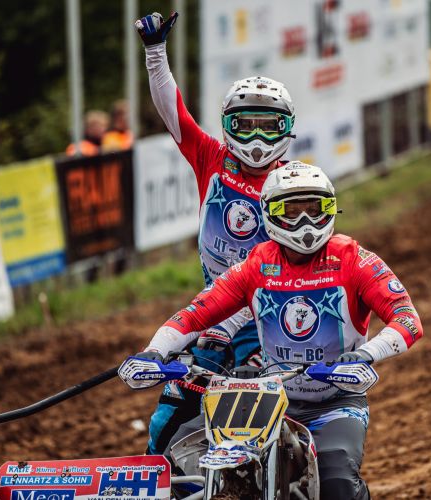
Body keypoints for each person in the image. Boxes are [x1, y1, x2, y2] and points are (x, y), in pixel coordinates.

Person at [136, 161, 424, 499]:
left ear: (331, 209)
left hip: (333, 403)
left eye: (314, 209)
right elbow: (195, 314)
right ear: (270, 213)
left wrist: (363, 355)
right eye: (292, 211)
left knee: (337, 483)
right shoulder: (257, 264)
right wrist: (154, 351)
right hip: (268, 398)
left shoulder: (353, 259)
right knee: (181, 460)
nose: (305, 222)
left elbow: (407, 319)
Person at [134, 11, 297, 455]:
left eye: (269, 125)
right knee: (167, 420)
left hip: (272, 319)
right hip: (211, 311)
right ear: (229, 125)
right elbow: (174, 113)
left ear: (286, 128)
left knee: (277, 424)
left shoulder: (295, 185)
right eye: (247, 124)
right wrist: (155, 51)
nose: (257, 137)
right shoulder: (211, 159)